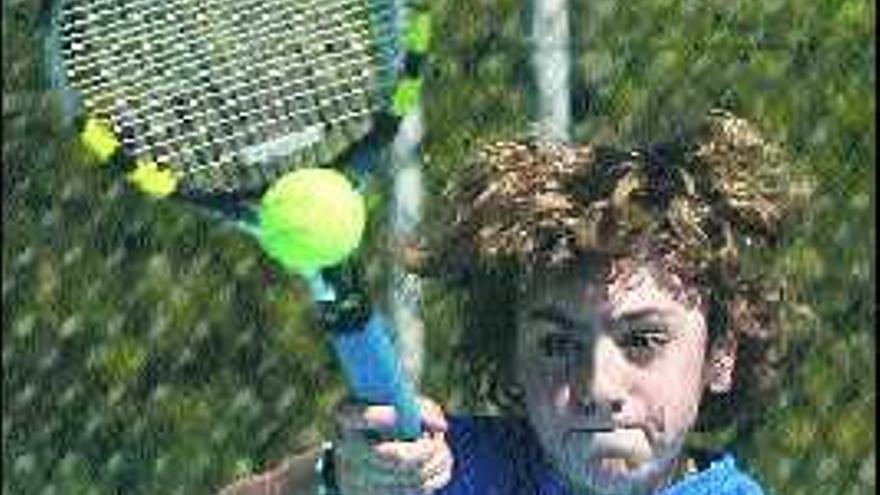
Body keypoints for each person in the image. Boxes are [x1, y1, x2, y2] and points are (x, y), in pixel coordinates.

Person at [217, 110, 810, 495]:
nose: (600, 385)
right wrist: (331, 479)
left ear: (722, 355)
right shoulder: (456, 469)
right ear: (513, 356)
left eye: (643, 340)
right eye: (557, 345)